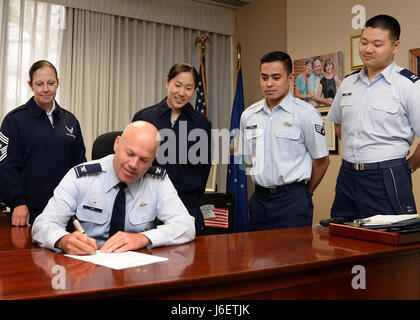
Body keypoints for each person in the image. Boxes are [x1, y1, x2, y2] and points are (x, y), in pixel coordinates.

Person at [32, 121, 195, 254]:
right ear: (117, 144)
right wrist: (62, 240)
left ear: (153, 159)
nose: (133, 165)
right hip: (87, 267)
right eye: (130, 153)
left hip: (137, 270)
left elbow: (186, 226)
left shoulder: (158, 181)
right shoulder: (81, 177)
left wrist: (143, 238)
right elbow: (43, 224)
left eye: (144, 160)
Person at [327, 14, 420, 219]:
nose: (368, 49)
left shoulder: (409, 85)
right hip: (347, 176)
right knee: (343, 240)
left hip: (388, 176)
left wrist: (407, 166)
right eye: (364, 42)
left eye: (377, 44)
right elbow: (339, 124)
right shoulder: (348, 83)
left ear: (395, 46)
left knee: (391, 242)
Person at [239, 51, 330, 231]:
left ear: (290, 78)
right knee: (257, 257)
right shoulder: (248, 115)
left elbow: (322, 161)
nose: (269, 83)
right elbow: (246, 159)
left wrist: (305, 193)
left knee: (293, 257)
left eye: (276, 77)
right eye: (264, 77)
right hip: (259, 201)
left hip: (292, 201)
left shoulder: (306, 113)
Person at [0, 60, 86, 227]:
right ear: (30, 85)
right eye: (39, 84)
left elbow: (79, 165)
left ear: (58, 83)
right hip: (27, 213)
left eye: (51, 83)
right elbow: (5, 166)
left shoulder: (70, 120)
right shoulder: (14, 120)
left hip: (66, 211)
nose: (46, 89)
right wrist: (17, 202)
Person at [132, 63, 212, 235]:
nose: (182, 93)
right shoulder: (145, 117)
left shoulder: (201, 124)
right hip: (146, 204)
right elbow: (132, 159)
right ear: (167, 82)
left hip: (185, 204)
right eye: (177, 85)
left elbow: (204, 169)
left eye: (189, 88)